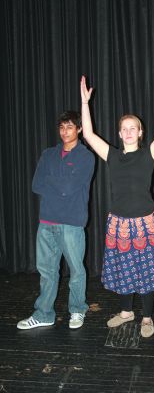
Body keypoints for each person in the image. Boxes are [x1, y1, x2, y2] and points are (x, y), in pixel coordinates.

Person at [80, 69, 154, 337]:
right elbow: (87, 134)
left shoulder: (149, 154)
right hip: (119, 221)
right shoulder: (111, 155)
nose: (129, 131)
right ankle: (125, 312)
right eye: (125, 129)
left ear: (140, 132)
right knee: (123, 269)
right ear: (120, 134)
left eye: (133, 128)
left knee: (148, 272)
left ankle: (146, 317)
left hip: (147, 222)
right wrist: (85, 103)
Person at [17, 111, 95, 330]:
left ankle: (78, 310)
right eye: (62, 127)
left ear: (79, 129)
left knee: (76, 271)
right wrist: (58, 183)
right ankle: (44, 314)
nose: (65, 132)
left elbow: (69, 188)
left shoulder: (85, 156)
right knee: (47, 271)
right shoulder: (48, 154)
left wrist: (51, 180)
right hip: (47, 221)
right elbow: (36, 185)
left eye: (69, 127)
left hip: (71, 222)